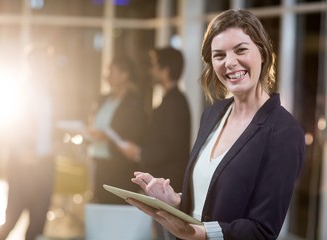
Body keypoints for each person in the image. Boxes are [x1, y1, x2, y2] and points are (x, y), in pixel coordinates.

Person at [126, 9, 305, 240]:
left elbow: (262, 231)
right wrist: (175, 201)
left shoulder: (284, 132)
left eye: (241, 50)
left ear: (263, 53)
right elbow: (205, 204)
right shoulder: (212, 115)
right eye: (219, 55)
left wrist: (196, 234)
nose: (230, 63)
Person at [120, 47, 191, 239]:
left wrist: (140, 154)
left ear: (165, 70)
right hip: (166, 183)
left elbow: (172, 147)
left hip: (169, 185)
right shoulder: (173, 100)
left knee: (166, 234)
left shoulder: (174, 102)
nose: (151, 71)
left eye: (153, 66)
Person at [0, 42, 57, 240]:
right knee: (12, 218)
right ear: (32, 63)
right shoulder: (20, 90)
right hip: (22, 165)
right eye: (42, 61)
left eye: (48, 61)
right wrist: (20, 149)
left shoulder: (53, 91)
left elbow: (55, 123)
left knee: (38, 223)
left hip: (46, 163)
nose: (46, 65)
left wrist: (58, 141)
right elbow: (6, 125)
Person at [88, 55, 146, 205]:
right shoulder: (103, 99)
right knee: (99, 204)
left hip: (119, 166)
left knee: (116, 207)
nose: (106, 75)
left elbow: (136, 133)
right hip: (99, 162)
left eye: (111, 71)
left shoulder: (134, 102)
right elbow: (94, 122)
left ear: (124, 75)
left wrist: (107, 137)